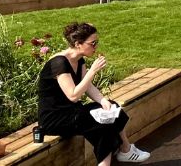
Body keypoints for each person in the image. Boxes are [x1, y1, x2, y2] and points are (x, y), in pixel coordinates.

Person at [37, 23, 150, 165]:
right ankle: (113, 159)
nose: (96, 47)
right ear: (78, 44)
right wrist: (92, 71)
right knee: (103, 126)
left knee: (111, 107)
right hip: (55, 118)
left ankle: (126, 150)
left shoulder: (79, 59)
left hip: (72, 112)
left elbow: (88, 86)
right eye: (93, 43)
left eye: (97, 42)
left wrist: (102, 100)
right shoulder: (59, 63)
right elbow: (73, 96)